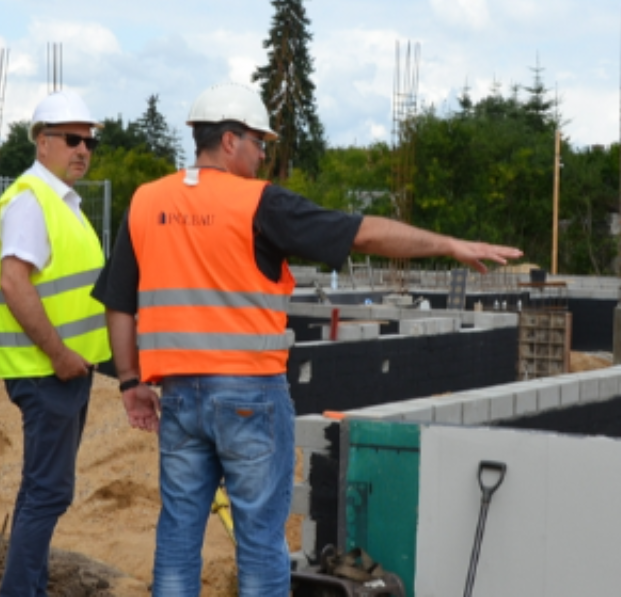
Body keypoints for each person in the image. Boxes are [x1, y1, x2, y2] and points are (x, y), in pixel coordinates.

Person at [91, 81, 523, 596]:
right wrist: (448, 244)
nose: (262, 157)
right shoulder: (256, 204)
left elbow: (119, 302)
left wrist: (129, 382)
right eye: (259, 144)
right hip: (249, 398)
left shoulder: (146, 202)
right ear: (230, 141)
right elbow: (360, 232)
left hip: (179, 397)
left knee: (178, 536)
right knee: (259, 542)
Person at [0, 89, 111, 597]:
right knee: (46, 493)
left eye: (90, 141)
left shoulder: (63, 203)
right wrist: (59, 355)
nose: (83, 149)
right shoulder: (30, 201)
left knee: (46, 492)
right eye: (72, 139)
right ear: (42, 143)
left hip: (65, 371)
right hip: (46, 371)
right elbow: (15, 281)